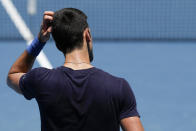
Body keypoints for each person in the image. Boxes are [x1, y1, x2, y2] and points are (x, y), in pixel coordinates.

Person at [7, 8, 144, 131]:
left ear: (59, 45)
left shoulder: (41, 80)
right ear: (87, 34)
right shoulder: (118, 87)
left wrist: (40, 41)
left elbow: (13, 75)